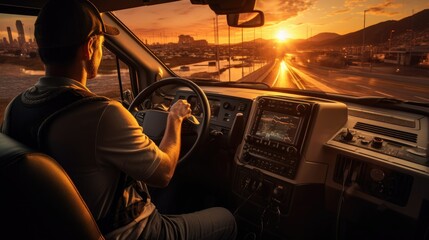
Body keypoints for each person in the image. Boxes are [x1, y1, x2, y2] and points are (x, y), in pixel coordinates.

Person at [1, 0, 237, 239]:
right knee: (227, 219)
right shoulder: (102, 113)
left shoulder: (14, 108)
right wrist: (175, 119)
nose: (102, 52)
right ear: (90, 47)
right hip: (134, 232)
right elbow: (164, 173)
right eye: (102, 44)